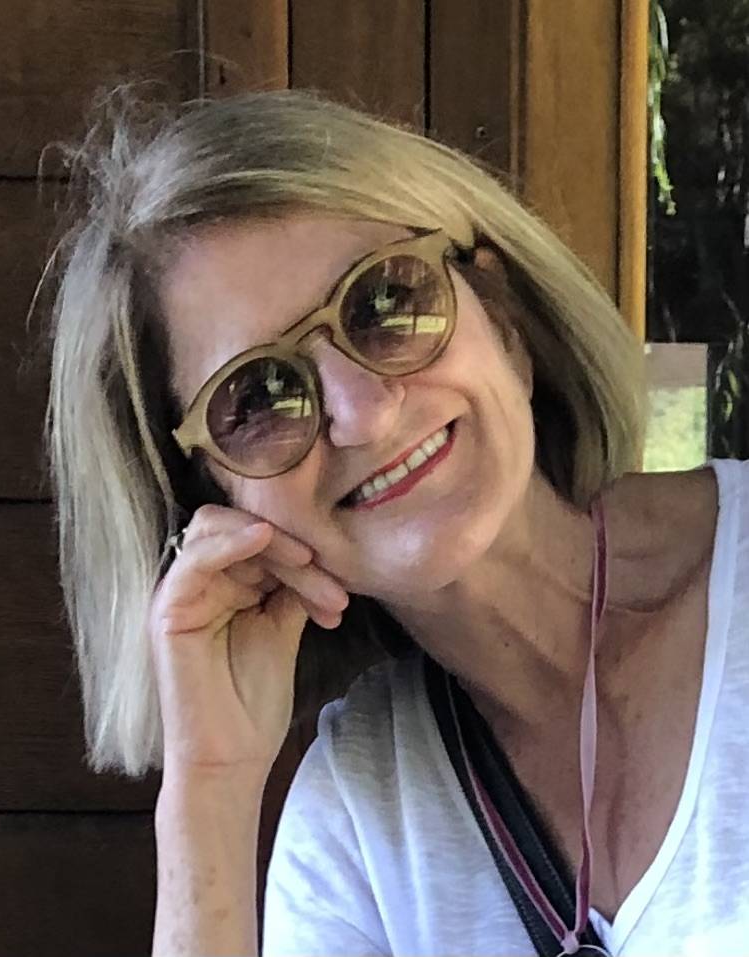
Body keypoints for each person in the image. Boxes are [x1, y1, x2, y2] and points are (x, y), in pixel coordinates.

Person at [42, 86, 749, 957]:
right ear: (215, 505)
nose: (364, 412)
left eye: (384, 304)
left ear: (503, 318)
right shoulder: (354, 819)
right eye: (259, 397)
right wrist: (210, 793)